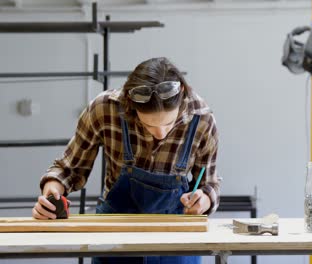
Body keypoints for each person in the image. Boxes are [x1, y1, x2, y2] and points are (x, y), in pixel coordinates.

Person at [32, 57, 220, 264]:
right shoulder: (104, 109)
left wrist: (203, 199)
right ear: (130, 105)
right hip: (114, 233)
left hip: (175, 237)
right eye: (149, 125)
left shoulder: (201, 119)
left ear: (182, 95)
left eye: (169, 123)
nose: (160, 134)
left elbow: (208, 183)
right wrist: (52, 191)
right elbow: (69, 168)